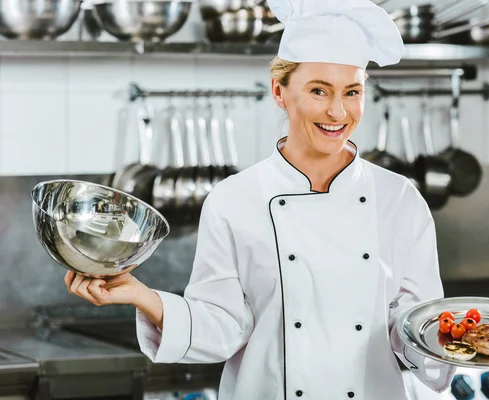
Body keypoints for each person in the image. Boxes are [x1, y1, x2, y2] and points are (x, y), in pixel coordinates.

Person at [64, 0, 456, 398]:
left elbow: (415, 328)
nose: (338, 111)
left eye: (352, 92)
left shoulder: (400, 199)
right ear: (280, 92)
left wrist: (456, 341)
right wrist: (141, 296)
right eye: (318, 90)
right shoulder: (234, 199)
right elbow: (224, 326)